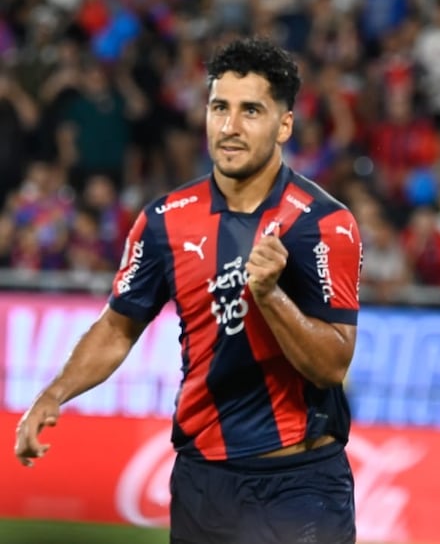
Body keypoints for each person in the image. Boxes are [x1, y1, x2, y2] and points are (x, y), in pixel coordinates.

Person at [14, 36, 362, 544]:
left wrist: (269, 295)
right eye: (219, 107)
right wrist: (55, 393)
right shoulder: (164, 220)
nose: (230, 127)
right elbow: (117, 326)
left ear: (284, 124)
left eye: (251, 111)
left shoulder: (324, 224)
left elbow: (332, 364)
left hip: (300, 482)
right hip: (203, 482)